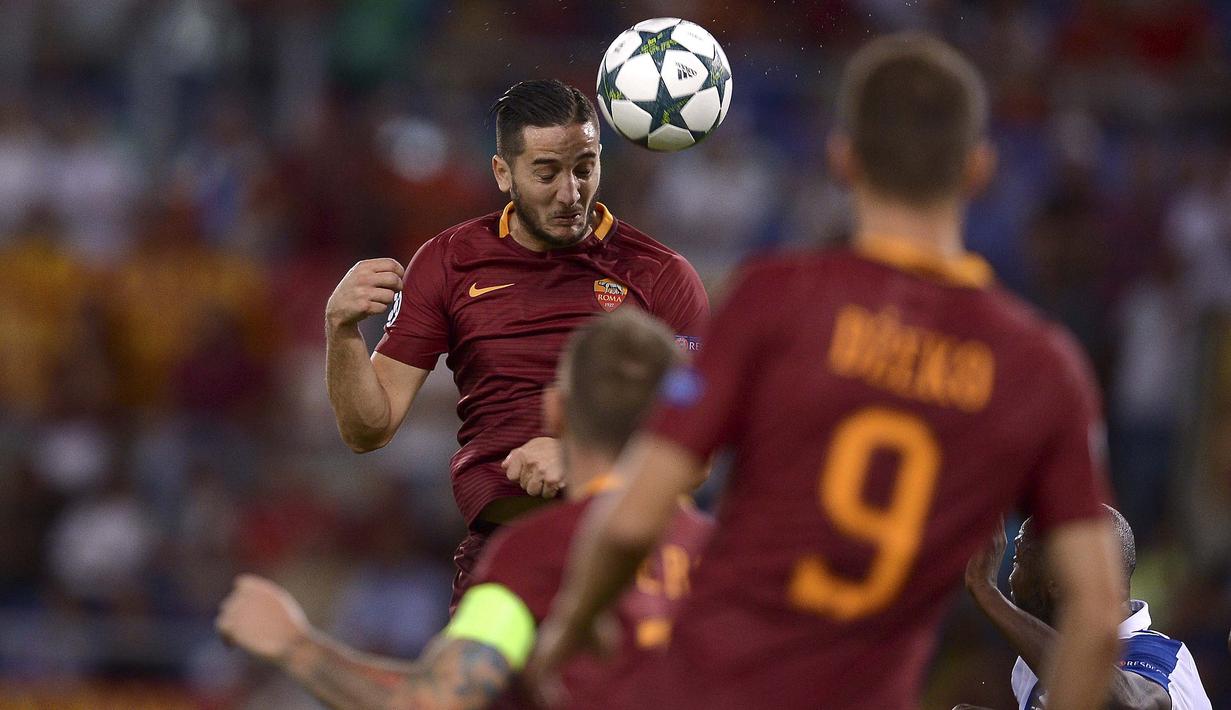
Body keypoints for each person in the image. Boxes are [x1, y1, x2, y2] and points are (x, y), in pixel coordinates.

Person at [530, 33, 1124, 710]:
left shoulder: (772, 298)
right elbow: (1098, 614)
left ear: (842, 160)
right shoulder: (1039, 367)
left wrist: (571, 626)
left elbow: (634, 518)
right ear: (978, 169)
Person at [323, 79, 708, 607]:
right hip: (503, 559)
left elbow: (700, 439)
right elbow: (370, 428)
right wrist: (341, 332)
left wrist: (582, 455)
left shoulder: (661, 275)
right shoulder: (449, 262)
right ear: (503, 173)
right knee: (465, 692)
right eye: (547, 173)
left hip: (629, 557)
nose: (570, 193)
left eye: (585, 168)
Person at [217, 310, 713, 710]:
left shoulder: (536, 555)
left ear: (556, 411)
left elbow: (434, 701)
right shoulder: (723, 550)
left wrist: (294, 645)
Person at [963, 506, 1212, 710]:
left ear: (1058, 581)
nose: (1009, 578)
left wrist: (987, 593)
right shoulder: (1030, 669)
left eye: (1018, 561)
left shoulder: (1164, 659)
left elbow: (1130, 705)